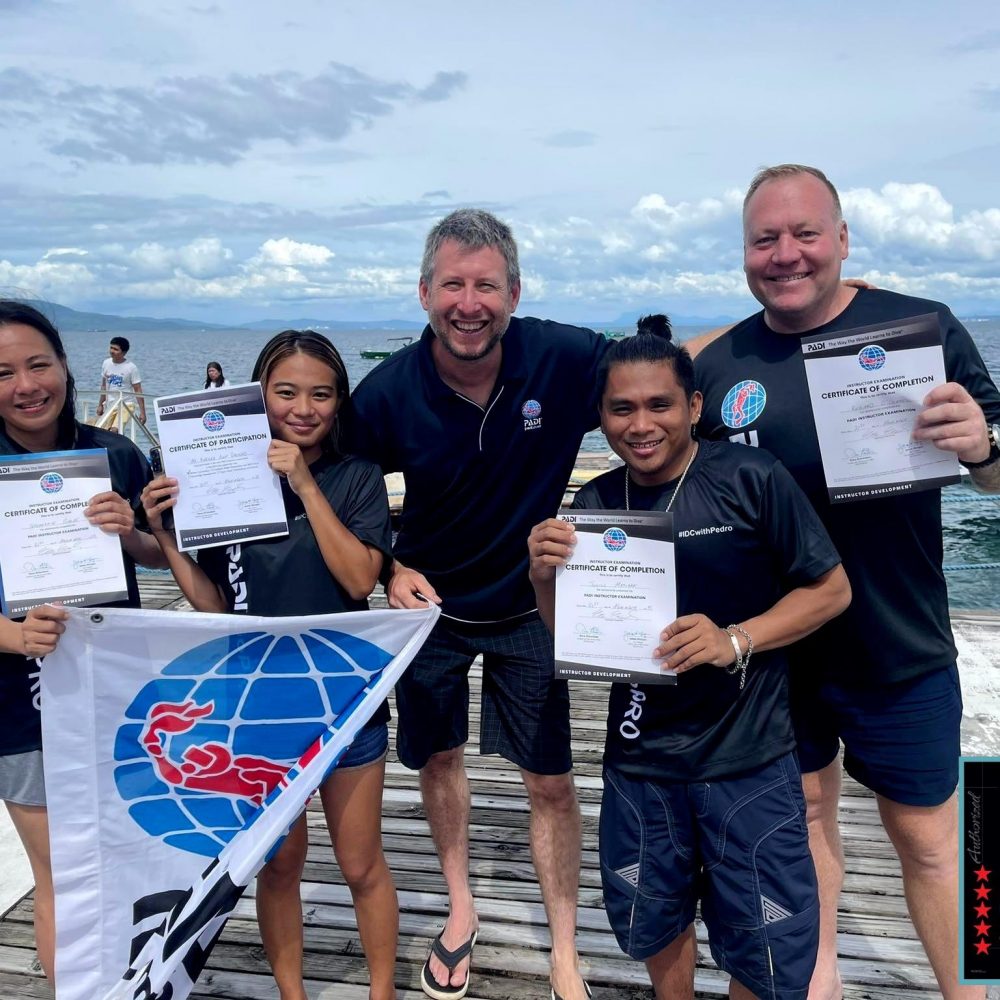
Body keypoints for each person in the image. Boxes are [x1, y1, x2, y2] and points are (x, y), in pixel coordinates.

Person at [691, 164, 1000, 1000]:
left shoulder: (923, 328)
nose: (786, 254)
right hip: (775, 653)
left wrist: (983, 447)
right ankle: (816, 979)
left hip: (899, 641)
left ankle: (974, 990)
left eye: (805, 234)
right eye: (765, 239)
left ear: (842, 240)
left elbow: (997, 476)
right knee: (803, 822)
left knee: (944, 840)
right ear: (744, 252)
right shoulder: (718, 364)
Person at [528, 316, 851, 999]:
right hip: (642, 755)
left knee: (767, 945)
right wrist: (542, 578)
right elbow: (575, 638)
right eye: (621, 408)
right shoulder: (595, 501)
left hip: (748, 754)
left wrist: (735, 638)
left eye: (660, 404)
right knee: (654, 921)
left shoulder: (752, 477)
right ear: (601, 416)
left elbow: (830, 590)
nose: (641, 424)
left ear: (695, 405)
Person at [344, 209, 605, 1000]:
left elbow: (666, 373)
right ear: (424, 292)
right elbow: (341, 493)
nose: (469, 303)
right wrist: (388, 566)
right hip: (432, 609)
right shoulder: (389, 392)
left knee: (551, 780)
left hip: (531, 604)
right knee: (440, 758)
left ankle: (565, 948)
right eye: (452, 285)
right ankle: (462, 906)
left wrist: (795, 324)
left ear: (514, 294)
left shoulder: (561, 357)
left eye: (486, 286)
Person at [141, 329, 397, 1000]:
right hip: (255, 708)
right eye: (286, 392)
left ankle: (382, 992)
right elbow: (215, 604)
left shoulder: (358, 477)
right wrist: (165, 533)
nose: (303, 409)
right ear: (259, 396)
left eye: (322, 394)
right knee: (279, 867)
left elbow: (358, 579)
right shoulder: (221, 479)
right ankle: (292, 994)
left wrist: (304, 484)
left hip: (347, 701)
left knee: (361, 865)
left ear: (340, 402)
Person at [0, 300, 166, 984]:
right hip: (18, 704)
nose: (26, 385)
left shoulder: (116, 453)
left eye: (38, 364)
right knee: (61, 874)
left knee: (130, 857)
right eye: (3, 373)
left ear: (67, 366)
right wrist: (12, 635)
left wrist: (131, 532)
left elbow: (165, 555)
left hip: (117, 693)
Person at [97, 336, 146, 423]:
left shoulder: (131, 367)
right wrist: (100, 404)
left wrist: (142, 412)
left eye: (116, 349)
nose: (112, 351)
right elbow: (104, 386)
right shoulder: (106, 363)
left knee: (115, 429)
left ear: (124, 352)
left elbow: (138, 390)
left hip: (126, 405)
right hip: (110, 405)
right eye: (111, 348)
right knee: (104, 428)